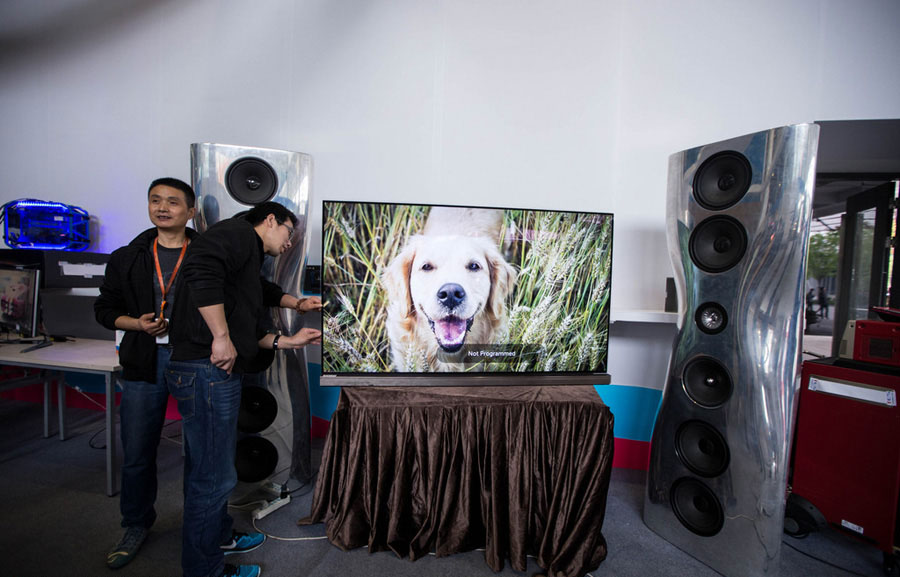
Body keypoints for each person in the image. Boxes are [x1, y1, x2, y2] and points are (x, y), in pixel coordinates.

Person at [167, 201, 321, 577]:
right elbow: (199, 271)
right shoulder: (234, 233)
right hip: (206, 370)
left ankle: (219, 536)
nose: (289, 243)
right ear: (270, 220)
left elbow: (259, 305)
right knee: (213, 477)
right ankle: (206, 571)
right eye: (288, 232)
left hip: (210, 371)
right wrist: (220, 337)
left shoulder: (248, 257)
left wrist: (293, 326)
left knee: (208, 469)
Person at [94, 177, 199, 569]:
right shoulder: (128, 256)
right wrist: (136, 324)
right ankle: (136, 524)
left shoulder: (206, 254)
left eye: (173, 202)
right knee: (137, 452)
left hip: (194, 360)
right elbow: (104, 311)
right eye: (155, 200)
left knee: (201, 453)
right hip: (142, 360)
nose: (162, 207)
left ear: (190, 212)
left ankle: (204, 525)